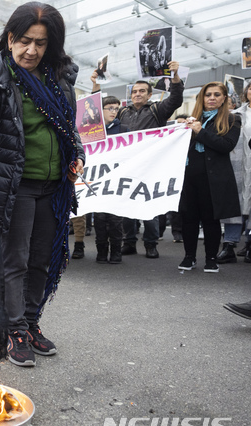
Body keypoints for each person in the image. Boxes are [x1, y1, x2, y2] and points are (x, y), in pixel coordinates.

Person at [0, 2, 85, 367]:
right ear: (10, 38)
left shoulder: (60, 79)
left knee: (43, 260)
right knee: (15, 260)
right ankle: (13, 330)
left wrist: (78, 157)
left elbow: (70, 131)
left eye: (40, 43)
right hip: (15, 184)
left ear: (51, 45)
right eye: (25, 40)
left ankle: (30, 321)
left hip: (56, 187)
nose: (31, 50)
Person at [92, 63, 184, 258]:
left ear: (150, 95)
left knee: (147, 206)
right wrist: (95, 85)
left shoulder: (157, 110)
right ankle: (129, 242)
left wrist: (175, 76)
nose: (137, 94)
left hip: (149, 166)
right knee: (124, 204)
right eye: (134, 91)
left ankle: (151, 244)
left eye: (142, 91)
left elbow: (175, 99)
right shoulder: (123, 112)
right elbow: (97, 112)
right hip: (125, 166)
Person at [177, 82, 241, 273]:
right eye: (208, 95)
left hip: (213, 178)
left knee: (210, 220)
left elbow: (225, 145)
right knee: (188, 219)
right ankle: (189, 257)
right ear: (201, 98)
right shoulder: (191, 119)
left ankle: (211, 259)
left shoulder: (232, 119)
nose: (212, 98)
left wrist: (199, 131)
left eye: (216, 95)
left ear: (223, 99)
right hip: (189, 176)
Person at [216, 82, 251, 263]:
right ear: (247, 92)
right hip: (236, 165)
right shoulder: (234, 116)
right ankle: (229, 245)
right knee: (234, 204)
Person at [94, 96, 129, 264]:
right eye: (110, 108)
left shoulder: (124, 129)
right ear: (101, 111)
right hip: (98, 181)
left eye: (116, 108)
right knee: (99, 219)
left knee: (115, 220)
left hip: (117, 181)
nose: (114, 112)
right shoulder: (92, 131)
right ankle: (101, 251)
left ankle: (116, 251)